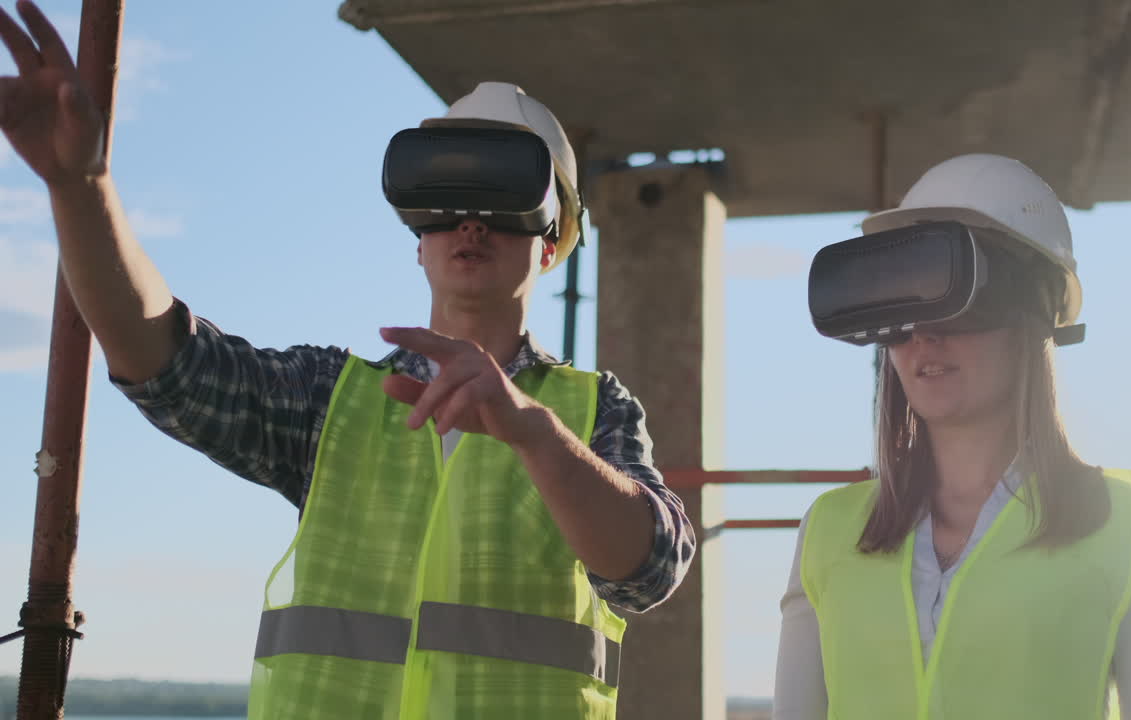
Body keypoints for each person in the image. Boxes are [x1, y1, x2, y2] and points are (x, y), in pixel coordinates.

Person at [0, 3, 694, 718]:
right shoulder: (330, 401)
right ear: (415, 236)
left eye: (504, 198)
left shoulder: (592, 413)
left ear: (550, 244)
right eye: (444, 198)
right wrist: (79, 186)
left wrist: (534, 434)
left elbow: (649, 570)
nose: (470, 222)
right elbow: (162, 359)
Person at [776, 153, 1131, 719]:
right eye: (903, 306)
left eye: (959, 297)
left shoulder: (1128, 528)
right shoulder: (828, 531)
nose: (923, 336)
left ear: (1035, 315)